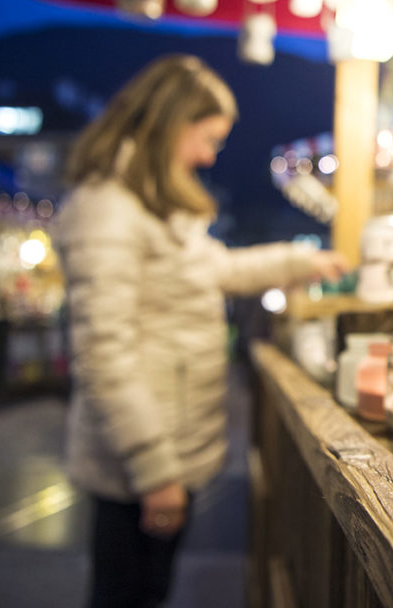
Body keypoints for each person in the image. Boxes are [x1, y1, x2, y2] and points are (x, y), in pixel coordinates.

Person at [53, 54, 348, 608]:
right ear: (170, 122)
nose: (211, 155)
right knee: (128, 593)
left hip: (164, 449)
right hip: (140, 462)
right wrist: (155, 472)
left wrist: (304, 261)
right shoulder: (110, 210)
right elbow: (103, 354)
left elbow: (222, 269)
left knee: (148, 590)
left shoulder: (154, 206)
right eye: (207, 138)